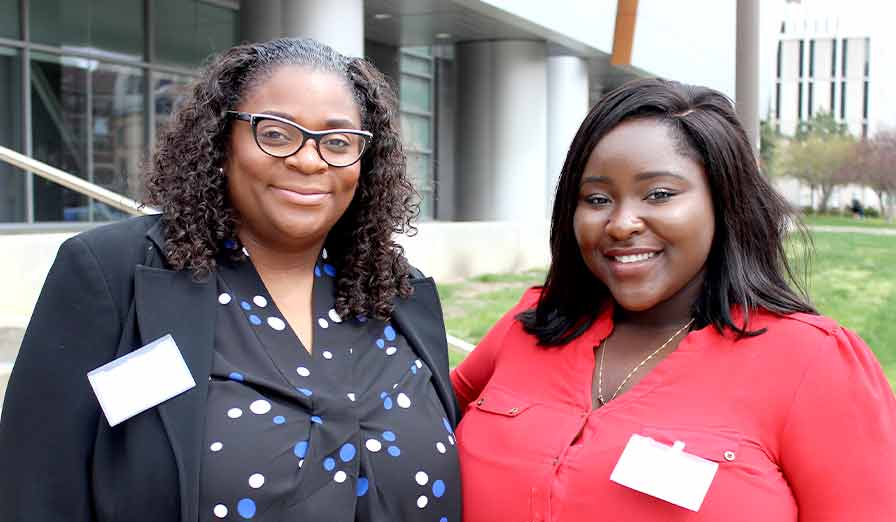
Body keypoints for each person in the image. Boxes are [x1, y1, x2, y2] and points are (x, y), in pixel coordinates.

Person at [0, 38, 460, 522]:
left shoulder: (399, 295)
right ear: (222, 140)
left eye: (338, 142)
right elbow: (35, 489)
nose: (309, 160)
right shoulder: (111, 273)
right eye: (277, 134)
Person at [451, 78, 896, 521]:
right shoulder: (532, 322)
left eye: (659, 194)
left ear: (724, 202)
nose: (622, 223)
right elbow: (414, 429)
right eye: (597, 198)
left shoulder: (813, 362)